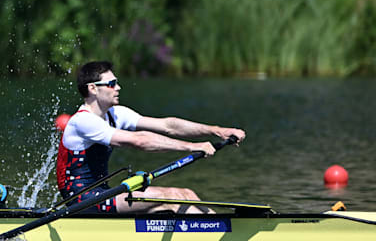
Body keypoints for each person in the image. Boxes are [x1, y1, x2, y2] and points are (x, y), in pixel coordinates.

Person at [57, 61, 247, 214]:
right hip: (82, 202)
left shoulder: (116, 114)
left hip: (104, 194)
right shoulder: (83, 121)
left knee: (186, 194)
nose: (118, 87)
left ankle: (217, 225)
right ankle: (216, 235)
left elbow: (168, 126)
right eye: (112, 84)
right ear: (93, 89)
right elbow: (139, 140)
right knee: (172, 197)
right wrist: (191, 147)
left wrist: (217, 130)